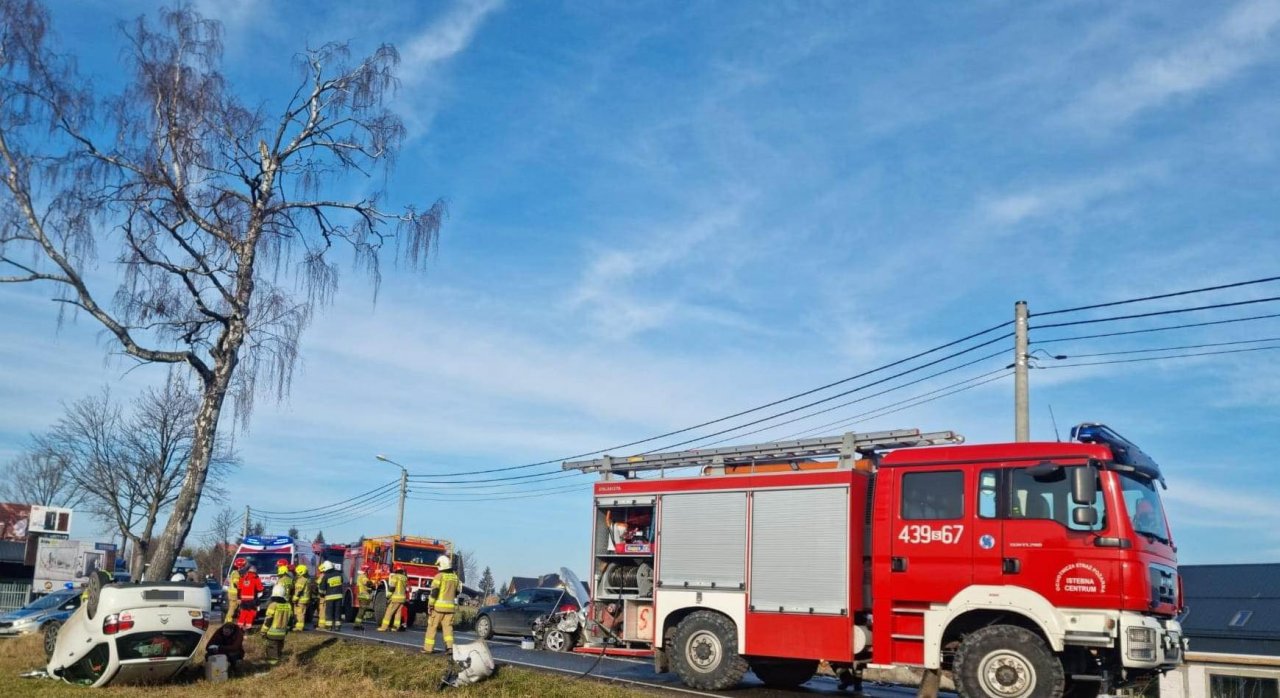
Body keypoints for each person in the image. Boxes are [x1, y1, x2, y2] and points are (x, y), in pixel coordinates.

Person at [422, 555, 460, 654]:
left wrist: (430, 605)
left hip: (438, 608)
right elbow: (457, 592)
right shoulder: (455, 577)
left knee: (432, 627)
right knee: (448, 628)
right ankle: (450, 648)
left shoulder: (439, 576)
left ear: (441, 565)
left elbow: (434, 592)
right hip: (450, 609)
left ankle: (428, 648)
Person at [264, 559, 294, 664]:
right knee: (279, 649)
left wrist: (263, 631)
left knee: (272, 652)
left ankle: (273, 667)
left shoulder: (273, 605)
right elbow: (290, 620)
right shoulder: (288, 606)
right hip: (282, 632)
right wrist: (288, 629)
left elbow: (268, 619)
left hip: (272, 633)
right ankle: (278, 663)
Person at [378, 564, 407, 632]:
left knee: (389, 612)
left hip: (396, 598)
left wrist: (389, 594)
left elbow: (392, 587)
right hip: (402, 598)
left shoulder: (395, 577)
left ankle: (384, 627)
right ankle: (395, 627)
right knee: (398, 613)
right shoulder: (404, 577)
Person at [236, 564, 264, 631]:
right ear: (255, 571)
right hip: (252, 599)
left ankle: (239, 626)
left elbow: (239, 588)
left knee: (243, 612)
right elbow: (260, 588)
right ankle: (248, 628)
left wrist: (239, 598)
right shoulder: (255, 578)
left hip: (243, 599)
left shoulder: (243, 577)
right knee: (251, 613)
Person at [319, 561, 344, 630]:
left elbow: (322, 588)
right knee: (337, 611)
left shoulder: (326, 576)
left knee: (329, 611)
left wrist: (321, 594)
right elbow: (341, 582)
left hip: (330, 597)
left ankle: (329, 626)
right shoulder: (339, 574)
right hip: (339, 596)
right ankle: (337, 626)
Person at [353, 563, 375, 630]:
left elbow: (366, 586)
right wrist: (373, 584)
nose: (369, 571)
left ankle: (358, 624)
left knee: (362, 610)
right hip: (364, 596)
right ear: (366, 570)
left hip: (362, 595)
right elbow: (367, 583)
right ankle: (357, 625)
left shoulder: (361, 576)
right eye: (368, 570)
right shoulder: (363, 576)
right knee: (362, 611)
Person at [292, 563, 312, 631]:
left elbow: (299, 590)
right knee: (301, 612)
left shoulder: (302, 579)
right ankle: (298, 626)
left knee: (300, 613)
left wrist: (295, 598)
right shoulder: (307, 578)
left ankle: (299, 627)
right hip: (305, 599)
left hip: (301, 599)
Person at [225, 558, 245, 624]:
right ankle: (228, 621)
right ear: (240, 566)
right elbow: (236, 584)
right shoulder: (236, 573)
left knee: (233, 607)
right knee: (232, 608)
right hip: (234, 594)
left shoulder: (233, 572)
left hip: (232, 593)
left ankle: (228, 621)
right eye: (243, 566)